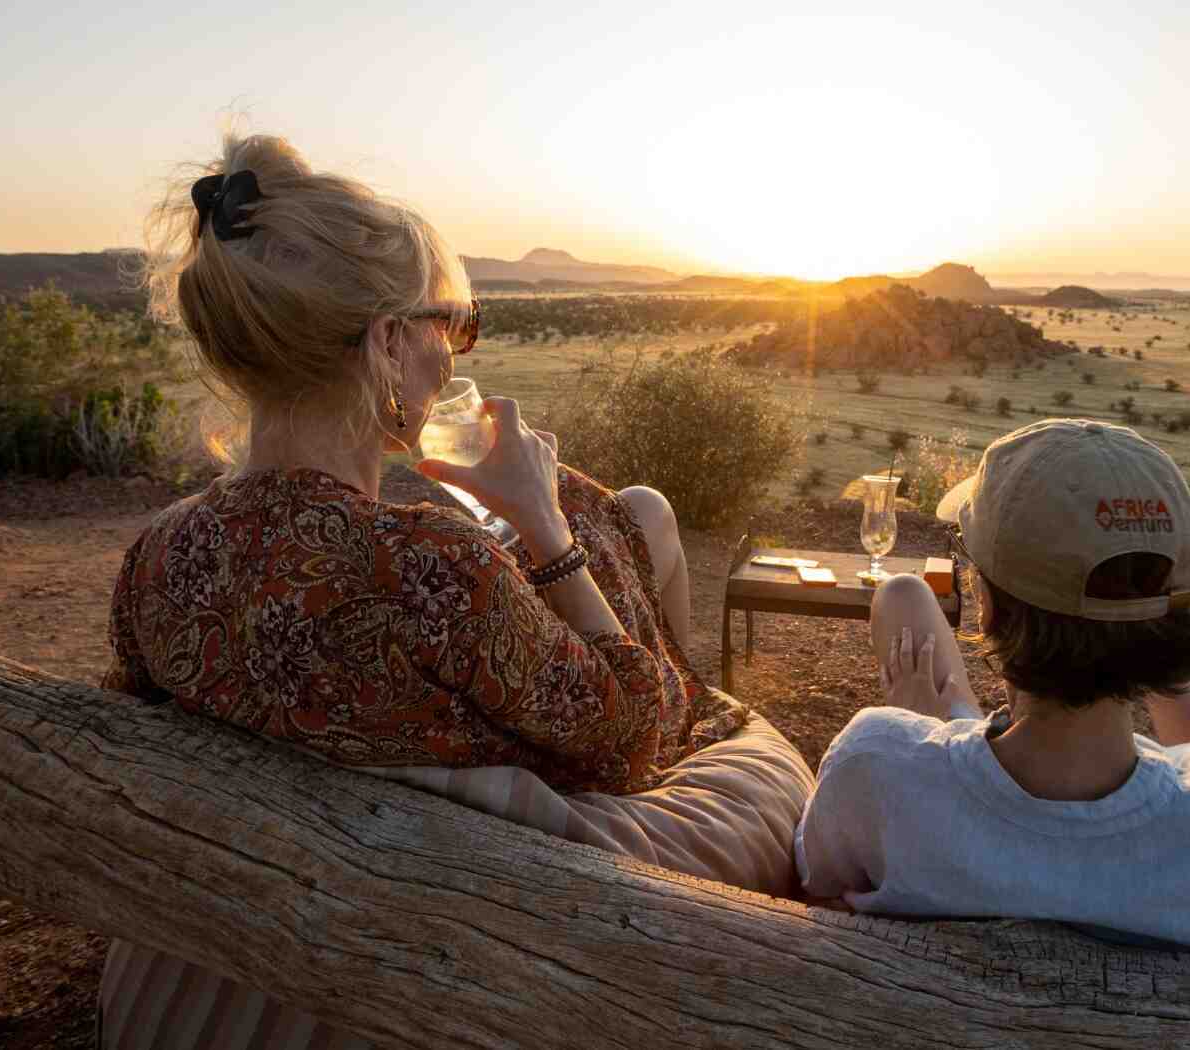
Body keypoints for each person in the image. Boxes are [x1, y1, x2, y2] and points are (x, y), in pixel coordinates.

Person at [96, 132, 759, 1048]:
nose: (453, 356)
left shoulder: (157, 556)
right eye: (451, 326)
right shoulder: (427, 566)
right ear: (387, 341)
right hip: (482, 914)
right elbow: (637, 734)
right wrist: (546, 532)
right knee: (636, 547)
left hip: (256, 909)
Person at [795, 419, 1190, 965]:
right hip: (1174, 829)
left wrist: (924, 736)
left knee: (901, 593)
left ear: (989, 606)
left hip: (953, 792)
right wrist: (1142, 642)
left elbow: (815, 878)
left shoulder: (877, 761)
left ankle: (983, 726)